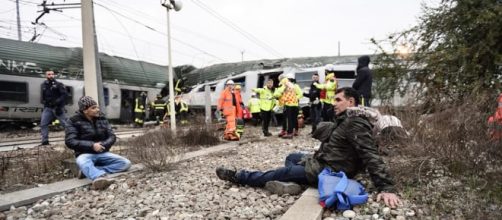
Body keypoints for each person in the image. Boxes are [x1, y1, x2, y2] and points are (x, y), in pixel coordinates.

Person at [216, 87, 402, 208]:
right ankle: (295, 183)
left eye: (338, 100)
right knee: (292, 156)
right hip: (322, 161)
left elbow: (370, 154)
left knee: (280, 172)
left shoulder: (355, 123)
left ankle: (240, 177)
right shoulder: (346, 120)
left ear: (351, 102)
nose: (333, 103)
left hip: (329, 170)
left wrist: (386, 187)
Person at [65, 96, 131, 190]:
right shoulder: (73, 121)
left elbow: (112, 136)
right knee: (82, 161)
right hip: (84, 154)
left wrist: (103, 145)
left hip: (103, 152)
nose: (97, 110)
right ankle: (98, 177)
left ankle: (89, 171)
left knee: (125, 163)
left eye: (97, 107)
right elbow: (70, 141)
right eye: (93, 108)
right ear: (85, 110)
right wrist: (92, 145)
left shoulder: (102, 119)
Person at [40, 70, 68, 146]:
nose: (51, 75)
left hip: (58, 108)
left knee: (65, 124)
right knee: (43, 124)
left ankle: (71, 139)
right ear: (46, 75)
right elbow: (43, 96)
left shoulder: (59, 84)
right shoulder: (44, 85)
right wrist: (45, 104)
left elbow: (64, 95)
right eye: (49, 74)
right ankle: (45, 141)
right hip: (48, 108)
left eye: (52, 74)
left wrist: (59, 104)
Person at [274, 74, 303, 139]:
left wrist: (294, 98)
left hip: (290, 104)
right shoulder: (292, 85)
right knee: (288, 118)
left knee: (290, 119)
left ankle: (291, 132)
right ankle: (287, 131)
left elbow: (300, 94)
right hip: (292, 103)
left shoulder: (288, 85)